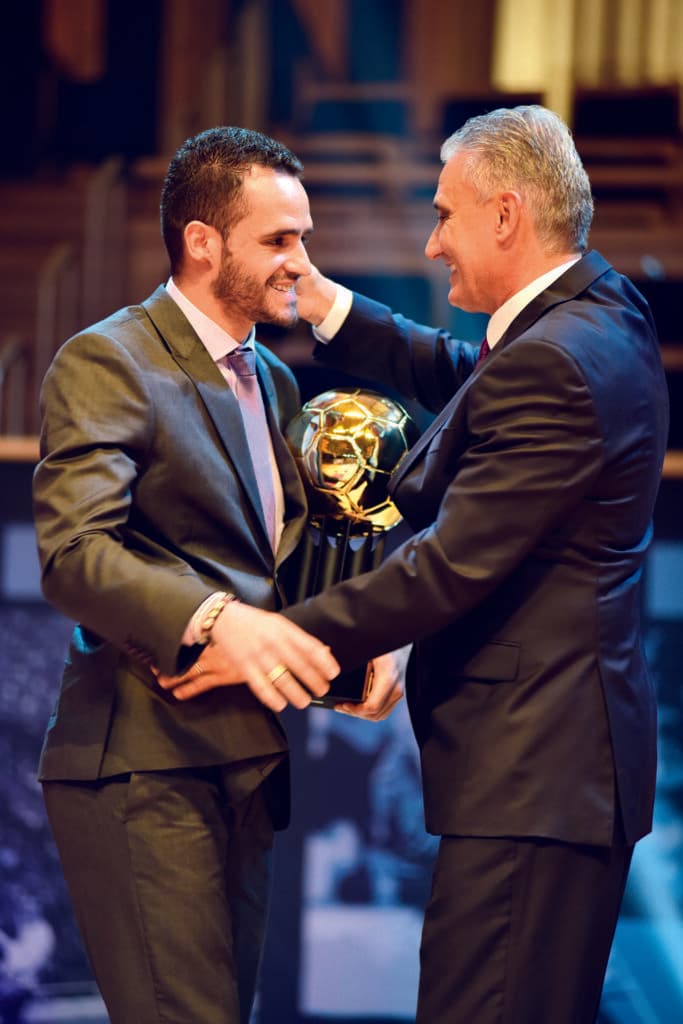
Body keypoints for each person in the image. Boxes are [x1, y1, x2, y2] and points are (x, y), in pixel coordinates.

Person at [165, 105, 670, 1022]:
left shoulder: (556, 357)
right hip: (555, 775)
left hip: (533, 778)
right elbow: (465, 379)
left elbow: (445, 569)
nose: (433, 243)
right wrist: (324, 304)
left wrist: (266, 635)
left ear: (506, 216)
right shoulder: (598, 314)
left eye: (444, 215)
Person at [32, 126, 347, 1024]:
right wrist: (213, 617)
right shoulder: (109, 358)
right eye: (279, 240)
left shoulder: (277, 382)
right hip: (141, 762)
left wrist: (364, 649)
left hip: (244, 762)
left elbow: (281, 574)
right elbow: (72, 555)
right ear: (202, 241)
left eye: (304, 237)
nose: (301, 262)